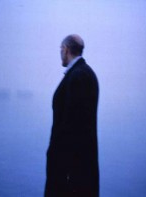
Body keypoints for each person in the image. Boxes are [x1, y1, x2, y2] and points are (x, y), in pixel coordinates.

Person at [45, 34, 99, 197]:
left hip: (70, 169)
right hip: (78, 166)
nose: (60, 53)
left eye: (60, 49)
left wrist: (64, 168)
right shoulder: (85, 73)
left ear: (66, 49)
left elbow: (73, 126)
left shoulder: (78, 76)